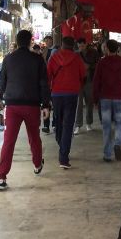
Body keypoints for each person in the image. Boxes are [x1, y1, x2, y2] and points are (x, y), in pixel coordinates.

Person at [0, 30, 51, 190]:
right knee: (34, 137)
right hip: (32, 105)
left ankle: (1, 177)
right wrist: (46, 104)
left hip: (12, 105)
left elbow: (2, 81)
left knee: (9, 140)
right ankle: (37, 164)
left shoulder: (8, 59)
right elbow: (44, 83)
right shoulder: (37, 60)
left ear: (16, 41)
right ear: (30, 42)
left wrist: (0, 99)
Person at [47, 36, 87, 169]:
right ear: (73, 45)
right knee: (68, 124)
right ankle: (63, 157)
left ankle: (61, 143)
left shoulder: (54, 57)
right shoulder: (77, 58)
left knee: (58, 121)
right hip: (72, 94)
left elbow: (48, 76)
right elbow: (83, 75)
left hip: (56, 94)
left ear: (62, 45)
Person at [93, 40, 121, 162]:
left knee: (106, 127)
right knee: (120, 124)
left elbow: (96, 82)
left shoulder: (101, 63)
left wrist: (95, 99)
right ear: (117, 49)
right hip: (119, 97)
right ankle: (117, 143)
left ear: (106, 48)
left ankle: (107, 154)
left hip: (105, 98)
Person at [76, 41, 100, 134]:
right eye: (79, 46)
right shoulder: (76, 54)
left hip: (90, 80)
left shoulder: (93, 53)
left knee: (89, 102)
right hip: (78, 81)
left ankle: (89, 123)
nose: (81, 47)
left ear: (86, 45)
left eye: (82, 45)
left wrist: (89, 66)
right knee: (79, 104)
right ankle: (78, 125)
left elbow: (98, 64)